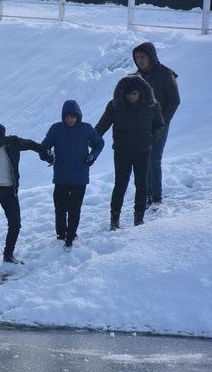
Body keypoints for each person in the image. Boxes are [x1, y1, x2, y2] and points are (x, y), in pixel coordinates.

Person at [0, 122, 49, 274]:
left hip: (9, 190)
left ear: (2, 141)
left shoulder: (13, 142)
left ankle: (8, 254)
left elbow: (32, 145)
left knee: (15, 223)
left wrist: (47, 156)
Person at [95, 74, 165, 231]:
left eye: (134, 93)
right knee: (120, 184)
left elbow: (160, 125)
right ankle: (114, 219)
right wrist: (88, 140)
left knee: (142, 184)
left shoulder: (152, 105)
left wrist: (151, 139)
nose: (131, 97)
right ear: (123, 93)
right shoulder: (115, 106)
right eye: (128, 94)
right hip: (122, 152)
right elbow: (101, 126)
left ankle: (139, 219)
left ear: (140, 92)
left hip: (143, 151)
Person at [41, 100, 104, 249]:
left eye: (73, 116)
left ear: (78, 116)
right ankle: (61, 234)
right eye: (67, 116)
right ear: (63, 116)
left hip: (79, 177)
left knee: (75, 208)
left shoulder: (86, 129)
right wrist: (48, 156)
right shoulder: (56, 129)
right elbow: (43, 147)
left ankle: (71, 235)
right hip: (61, 177)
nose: (70, 119)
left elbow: (99, 143)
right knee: (60, 208)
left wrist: (93, 156)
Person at [132, 42, 180, 209]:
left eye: (143, 57)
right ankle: (146, 196)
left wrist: (162, 122)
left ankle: (156, 198)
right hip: (142, 124)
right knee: (144, 158)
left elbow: (174, 101)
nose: (140, 60)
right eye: (137, 57)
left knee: (154, 158)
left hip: (161, 123)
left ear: (151, 56)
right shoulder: (136, 76)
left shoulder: (166, 73)